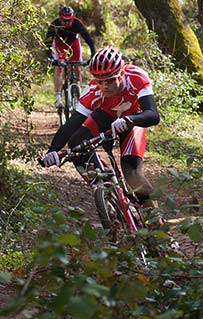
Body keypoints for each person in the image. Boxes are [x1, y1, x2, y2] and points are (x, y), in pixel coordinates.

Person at [41, 46, 159, 211]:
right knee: (76, 143)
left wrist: (129, 119)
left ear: (121, 74)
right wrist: (52, 150)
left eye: (110, 80)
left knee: (132, 173)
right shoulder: (93, 91)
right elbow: (71, 124)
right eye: (99, 80)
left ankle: (156, 221)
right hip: (106, 117)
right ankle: (107, 193)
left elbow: (153, 115)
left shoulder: (136, 77)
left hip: (134, 119)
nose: (104, 86)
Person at [45, 5, 96, 109]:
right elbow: (47, 44)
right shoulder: (54, 25)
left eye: (69, 20)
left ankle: (79, 93)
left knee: (77, 68)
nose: (67, 23)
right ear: (60, 19)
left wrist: (93, 56)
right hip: (60, 45)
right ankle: (58, 96)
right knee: (59, 68)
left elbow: (90, 41)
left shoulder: (77, 23)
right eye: (64, 21)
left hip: (73, 44)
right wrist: (52, 59)